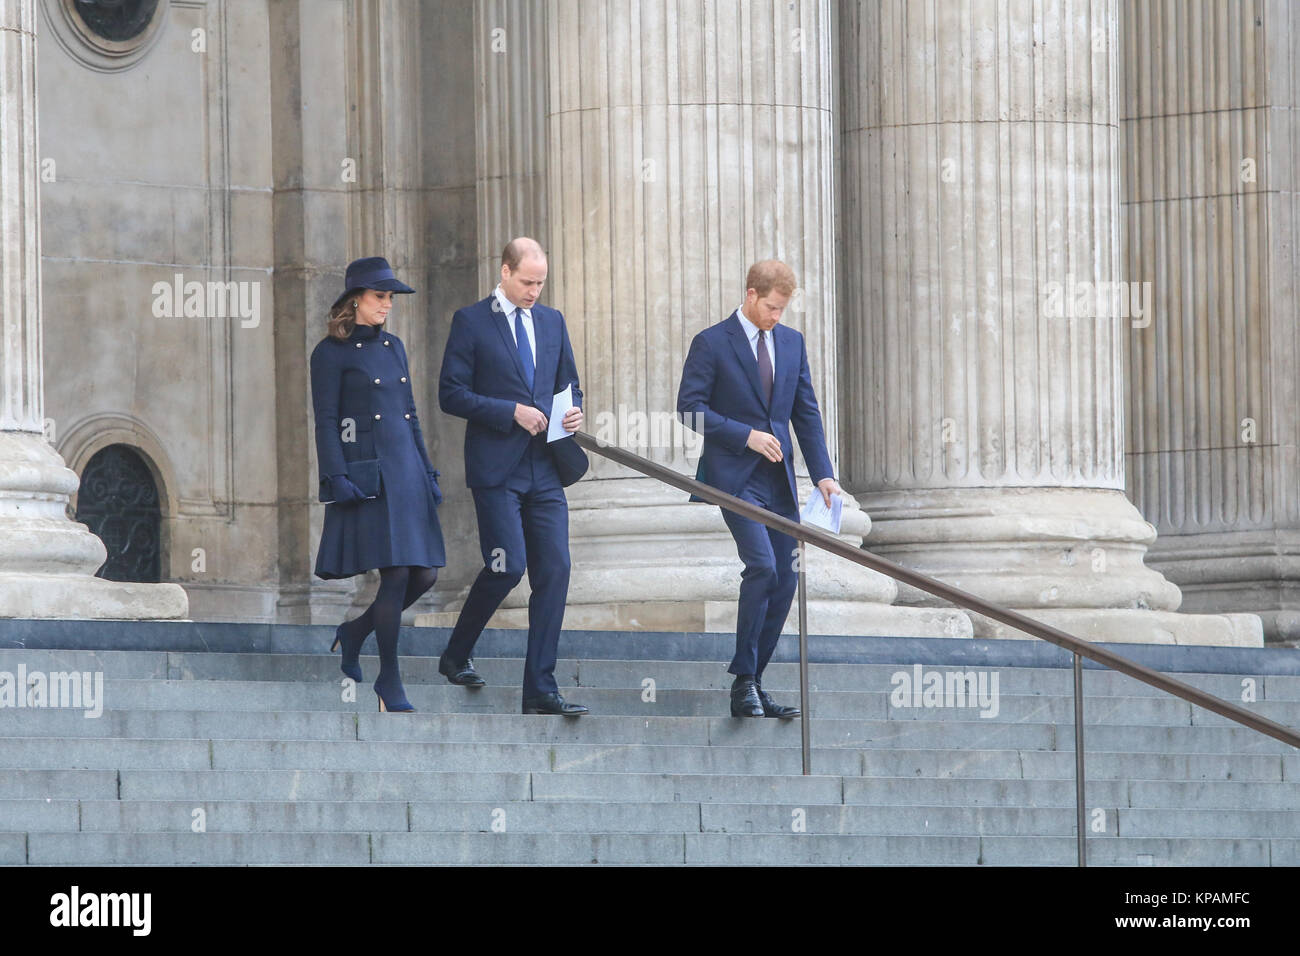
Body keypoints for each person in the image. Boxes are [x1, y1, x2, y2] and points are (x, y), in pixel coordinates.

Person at [676, 260, 843, 718]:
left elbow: (805, 413)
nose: (776, 317)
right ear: (751, 294)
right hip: (734, 480)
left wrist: (824, 473)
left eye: (783, 309)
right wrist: (743, 435)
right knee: (763, 567)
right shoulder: (711, 343)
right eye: (771, 307)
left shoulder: (791, 343)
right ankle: (743, 680)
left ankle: (754, 680)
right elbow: (688, 410)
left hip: (779, 481)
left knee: (787, 577)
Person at [437, 237, 590, 716]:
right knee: (507, 565)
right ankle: (457, 652)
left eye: (541, 283)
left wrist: (575, 410)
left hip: (545, 465)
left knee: (557, 570)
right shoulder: (470, 321)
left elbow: (569, 381)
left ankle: (540, 689)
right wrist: (511, 412)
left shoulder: (552, 321)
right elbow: (451, 393)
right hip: (497, 469)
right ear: (504, 272)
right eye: (527, 281)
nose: (534, 291)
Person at [310, 256, 446, 713]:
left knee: (424, 574)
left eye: (390, 298)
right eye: (379, 296)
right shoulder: (328, 353)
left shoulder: (395, 346)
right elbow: (326, 421)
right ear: (355, 300)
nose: (387, 305)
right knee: (397, 575)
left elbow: (411, 415)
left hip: (406, 467)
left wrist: (427, 471)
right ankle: (389, 680)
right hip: (369, 472)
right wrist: (335, 475)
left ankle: (354, 632)